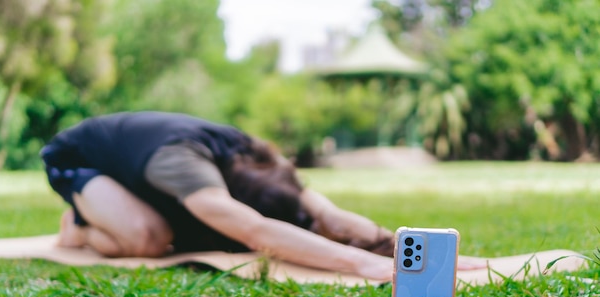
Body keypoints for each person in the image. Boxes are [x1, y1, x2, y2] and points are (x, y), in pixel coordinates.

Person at [41, 111, 397, 281]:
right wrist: (359, 263)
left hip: (142, 167)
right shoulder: (183, 165)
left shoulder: (261, 162)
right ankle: (80, 224)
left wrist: (392, 242)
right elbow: (255, 230)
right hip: (80, 160)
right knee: (150, 237)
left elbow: (327, 214)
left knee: (181, 229)